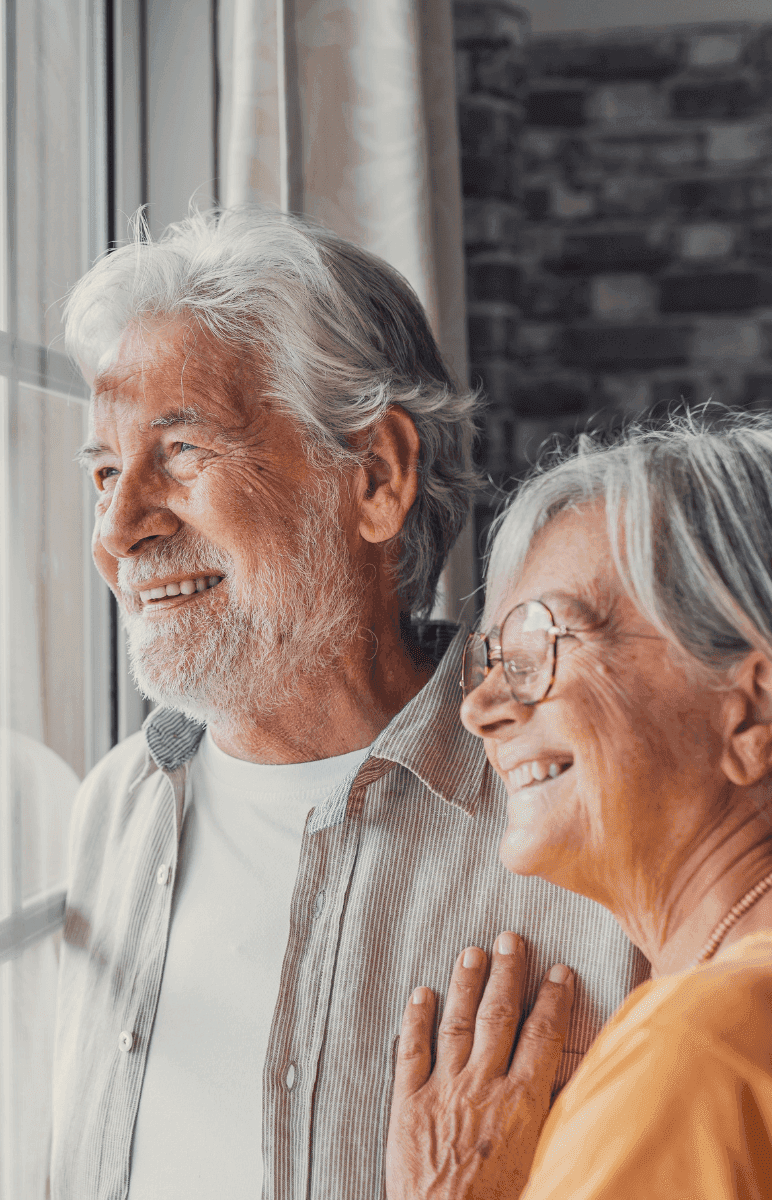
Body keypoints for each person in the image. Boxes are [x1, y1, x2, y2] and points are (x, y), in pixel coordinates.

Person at [49, 206, 644, 1200]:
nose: (118, 528)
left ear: (373, 476)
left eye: (179, 451)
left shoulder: (588, 819)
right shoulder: (112, 807)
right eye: (104, 470)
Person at [386, 413, 772, 1199]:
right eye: (493, 661)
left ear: (751, 712)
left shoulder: (695, 1055)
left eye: (540, 648)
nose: (481, 708)